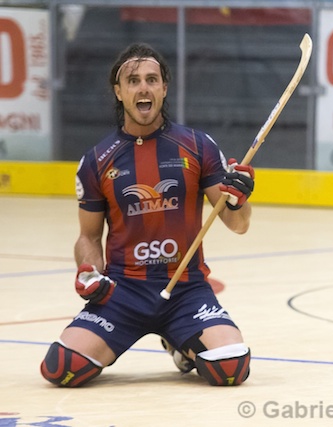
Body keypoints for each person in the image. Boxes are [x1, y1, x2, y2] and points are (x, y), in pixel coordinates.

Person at [40, 42, 253, 387]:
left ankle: (180, 342)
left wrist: (239, 200)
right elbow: (88, 238)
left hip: (187, 291)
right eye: (133, 80)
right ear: (119, 92)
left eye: (152, 79)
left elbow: (238, 225)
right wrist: (90, 272)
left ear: (164, 88)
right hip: (123, 295)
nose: (143, 88)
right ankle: (181, 342)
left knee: (231, 368)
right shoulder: (96, 161)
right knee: (60, 367)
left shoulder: (198, 146)